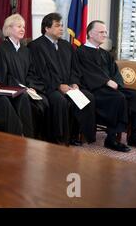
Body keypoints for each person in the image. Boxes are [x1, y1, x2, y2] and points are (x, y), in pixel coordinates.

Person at [76, 20, 136, 152]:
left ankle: (134, 136)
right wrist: (105, 82)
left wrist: (117, 83)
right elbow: (88, 73)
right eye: (101, 32)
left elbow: (115, 73)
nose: (105, 35)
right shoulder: (81, 52)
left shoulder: (105, 54)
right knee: (118, 98)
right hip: (96, 90)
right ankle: (111, 139)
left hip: (113, 89)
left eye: (105, 32)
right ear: (90, 34)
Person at [28, 13, 96, 145]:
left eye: (62, 25)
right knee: (59, 100)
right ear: (47, 28)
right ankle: (58, 138)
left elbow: (75, 69)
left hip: (69, 86)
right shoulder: (36, 46)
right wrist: (58, 86)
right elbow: (41, 72)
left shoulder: (67, 46)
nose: (61, 28)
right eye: (57, 25)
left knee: (88, 97)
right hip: (49, 87)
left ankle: (74, 135)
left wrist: (74, 83)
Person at [0, 14, 49, 139]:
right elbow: (2, 77)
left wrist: (31, 86)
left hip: (25, 90)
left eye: (24, 27)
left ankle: (40, 138)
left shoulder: (25, 51)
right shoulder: (0, 50)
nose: (23, 29)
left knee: (44, 100)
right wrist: (22, 88)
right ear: (9, 29)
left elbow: (31, 73)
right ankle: (26, 138)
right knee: (25, 99)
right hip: (10, 92)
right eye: (19, 26)